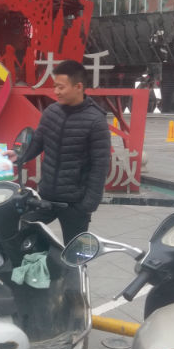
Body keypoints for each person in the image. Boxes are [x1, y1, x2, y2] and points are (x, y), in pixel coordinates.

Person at [13, 60, 111, 244]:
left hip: (75, 204)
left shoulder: (96, 121)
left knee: (73, 253)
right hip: (46, 196)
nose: (56, 91)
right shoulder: (51, 112)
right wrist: (18, 156)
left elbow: (101, 165)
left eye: (61, 87)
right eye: (54, 86)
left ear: (78, 87)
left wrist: (87, 205)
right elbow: (38, 141)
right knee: (22, 236)